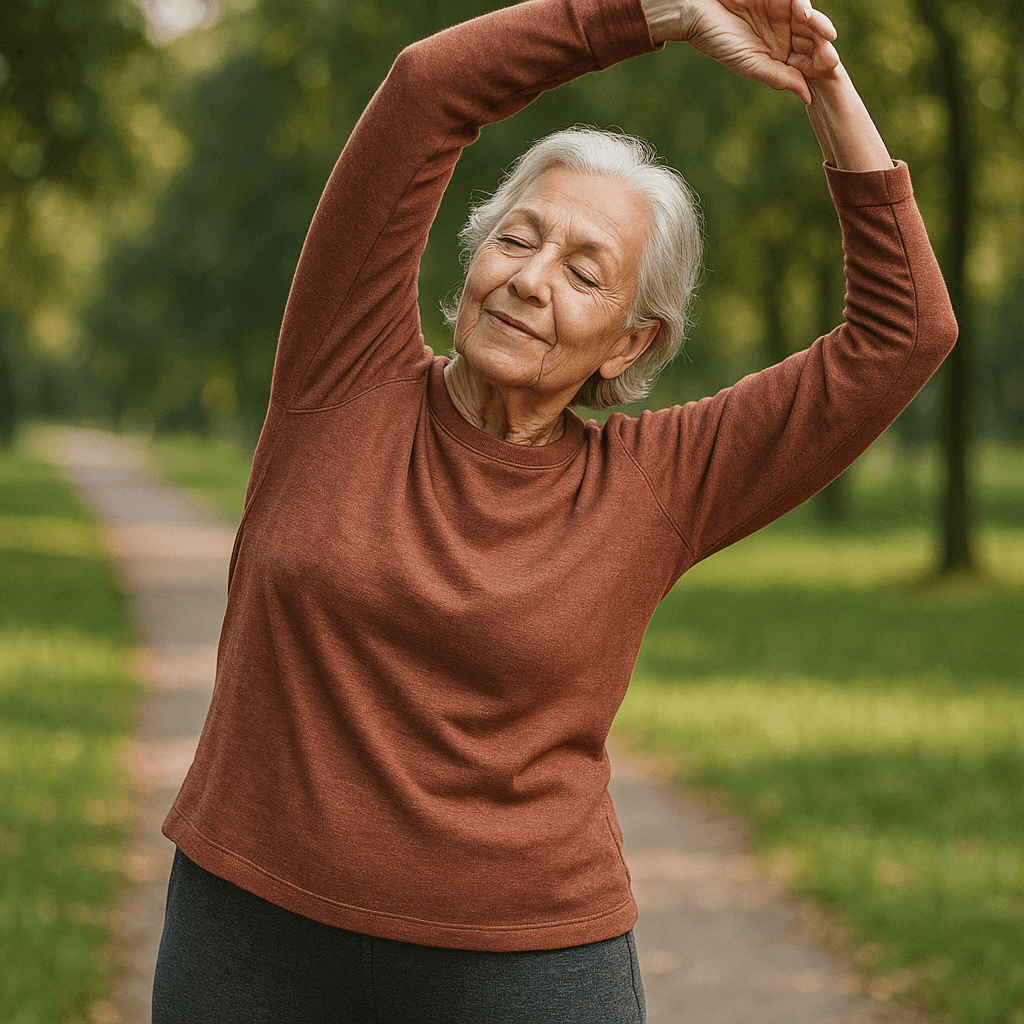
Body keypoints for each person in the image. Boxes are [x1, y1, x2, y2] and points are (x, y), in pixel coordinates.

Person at [152, 0, 957, 1019]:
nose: (531, 281)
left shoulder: (658, 482)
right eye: (516, 241)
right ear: (473, 256)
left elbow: (904, 333)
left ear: (628, 343)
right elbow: (425, 91)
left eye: (583, 273)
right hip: (252, 930)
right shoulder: (341, 371)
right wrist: (645, 14)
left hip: (520, 963)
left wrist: (825, 84)